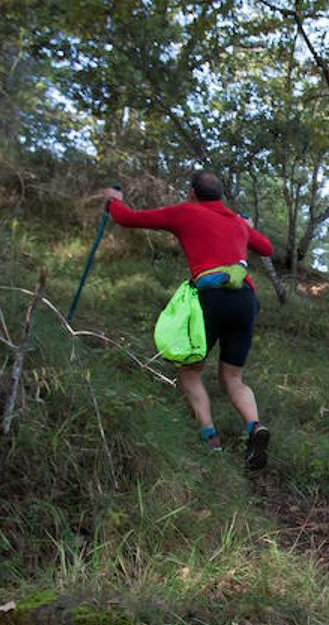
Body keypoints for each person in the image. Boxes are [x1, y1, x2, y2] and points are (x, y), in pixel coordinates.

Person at [105, 172, 274, 471]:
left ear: (192, 193)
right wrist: (247, 228)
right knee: (233, 378)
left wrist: (113, 201)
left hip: (210, 299)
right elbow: (267, 249)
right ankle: (254, 426)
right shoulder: (236, 221)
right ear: (220, 196)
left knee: (191, 369)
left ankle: (210, 437)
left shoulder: (185, 212)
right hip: (245, 299)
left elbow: (127, 218)